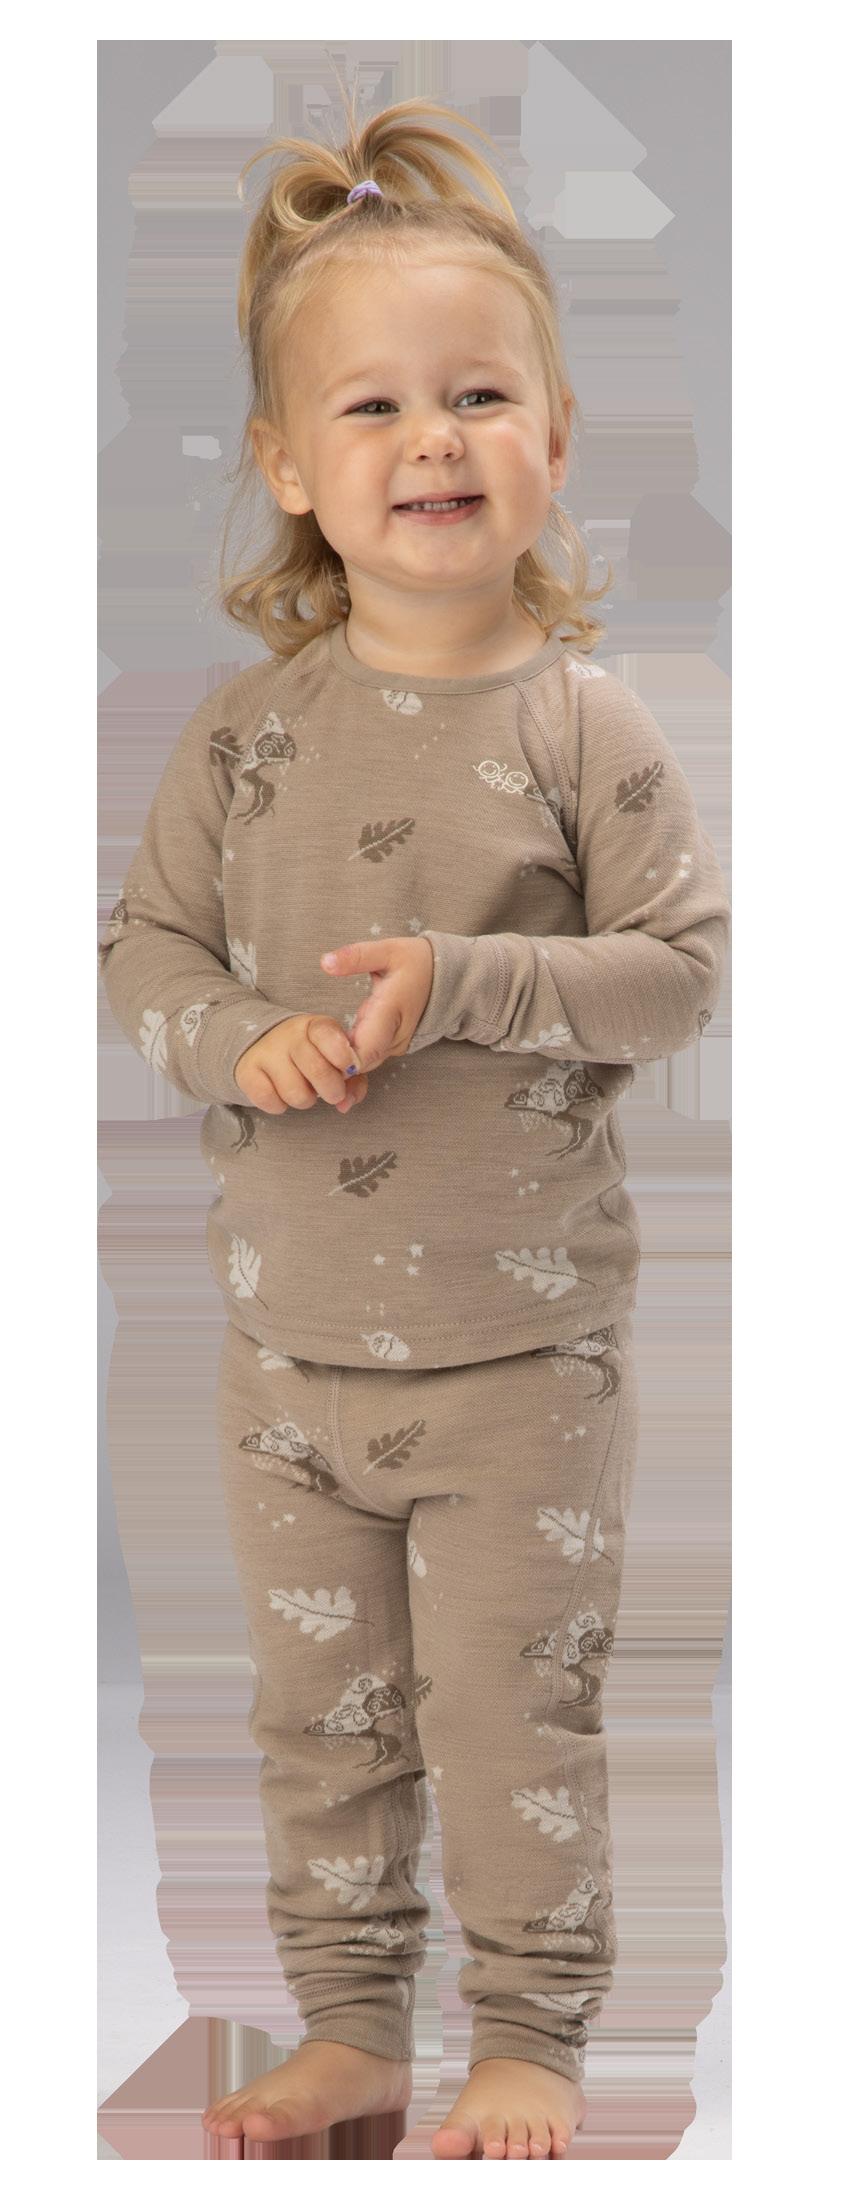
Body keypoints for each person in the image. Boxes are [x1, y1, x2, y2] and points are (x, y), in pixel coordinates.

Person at [98, 89, 730, 2162]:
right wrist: (238, 1039)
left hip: (517, 1360)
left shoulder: (581, 723)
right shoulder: (244, 734)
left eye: (477, 394)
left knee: (507, 1710)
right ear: (289, 465)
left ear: (555, 434)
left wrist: (469, 981)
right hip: (284, 1355)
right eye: (371, 405)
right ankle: (351, 2025)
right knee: (317, 1716)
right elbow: (140, 950)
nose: (431, 438)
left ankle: (529, 2032)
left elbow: (680, 972)